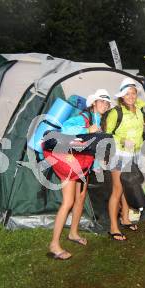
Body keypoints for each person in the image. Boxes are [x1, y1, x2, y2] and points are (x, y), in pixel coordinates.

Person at [46, 89, 111, 260]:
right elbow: (65, 128)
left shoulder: (102, 121)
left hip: (84, 163)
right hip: (68, 161)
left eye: (107, 102)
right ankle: (54, 244)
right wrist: (87, 128)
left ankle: (73, 233)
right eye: (101, 101)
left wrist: (97, 165)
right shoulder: (83, 117)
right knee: (68, 202)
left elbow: (94, 145)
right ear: (94, 103)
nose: (105, 104)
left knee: (80, 198)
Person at [105, 78, 145, 241]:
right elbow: (107, 135)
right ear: (122, 95)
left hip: (133, 154)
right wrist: (122, 141)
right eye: (127, 93)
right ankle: (113, 227)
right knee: (118, 189)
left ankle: (126, 218)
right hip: (119, 155)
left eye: (133, 93)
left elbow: (140, 128)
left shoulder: (140, 110)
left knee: (127, 187)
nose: (131, 96)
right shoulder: (116, 112)